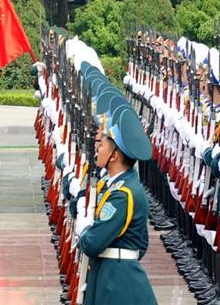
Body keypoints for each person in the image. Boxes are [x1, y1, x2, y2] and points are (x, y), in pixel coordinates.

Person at [74, 104, 157, 304]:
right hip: (108, 272)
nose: (97, 147)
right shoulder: (116, 184)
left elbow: (92, 243)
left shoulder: (123, 193)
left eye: (102, 144)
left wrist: (85, 230)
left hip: (117, 281)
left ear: (115, 156)